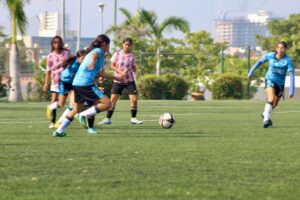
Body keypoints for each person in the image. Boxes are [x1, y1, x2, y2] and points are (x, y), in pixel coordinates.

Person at [53, 34, 122, 137]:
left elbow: (100, 73)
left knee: (76, 109)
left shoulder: (92, 52)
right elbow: (95, 56)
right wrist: (93, 62)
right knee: (108, 104)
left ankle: (59, 130)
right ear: (104, 44)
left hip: (76, 84)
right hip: (86, 84)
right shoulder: (98, 51)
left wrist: (117, 78)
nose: (109, 47)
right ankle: (83, 115)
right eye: (108, 45)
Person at [248, 41, 295, 128]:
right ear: (276, 48)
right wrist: (250, 72)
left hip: (280, 84)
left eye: (282, 48)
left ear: (285, 49)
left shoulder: (288, 61)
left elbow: (292, 75)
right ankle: (266, 120)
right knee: (271, 98)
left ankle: (265, 113)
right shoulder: (270, 55)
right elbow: (259, 62)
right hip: (270, 79)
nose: (280, 49)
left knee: (274, 104)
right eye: (279, 47)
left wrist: (291, 91)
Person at [99, 37, 143, 125]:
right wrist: (120, 72)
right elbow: (112, 65)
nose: (127, 46)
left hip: (129, 80)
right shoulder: (117, 54)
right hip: (118, 81)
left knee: (134, 99)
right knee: (113, 100)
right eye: (126, 44)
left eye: (129, 45)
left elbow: (133, 67)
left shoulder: (132, 56)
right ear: (122, 44)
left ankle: (133, 118)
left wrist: (137, 73)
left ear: (131, 46)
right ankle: (108, 119)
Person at [43, 36, 73, 128]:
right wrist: (46, 83)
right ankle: (53, 122)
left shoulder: (67, 53)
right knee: (55, 100)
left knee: (72, 102)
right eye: (55, 42)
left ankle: (62, 122)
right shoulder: (50, 56)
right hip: (56, 81)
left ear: (61, 43)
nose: (57, 44)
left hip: (68, 80)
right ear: (52, 44)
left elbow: (76, 58)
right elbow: (48, 71)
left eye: (58, 42)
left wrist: (68, 62)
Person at [53, 49, 86, 129]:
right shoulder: (75, 66)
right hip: (65, 82)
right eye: (82, 58)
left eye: (85, 58)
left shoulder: (81, 63)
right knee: (61, 104)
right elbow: (76, 78)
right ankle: (51, 107)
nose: (84, 60)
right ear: (78, 58)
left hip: (73, 83)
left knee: (72, 106)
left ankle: (59, 122)